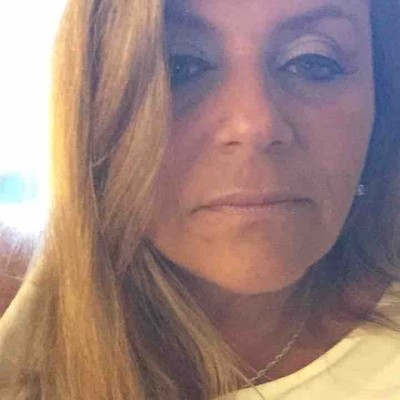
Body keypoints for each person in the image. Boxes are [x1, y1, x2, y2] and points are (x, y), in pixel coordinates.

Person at [0, 0, 400, 398]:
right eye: (179, 66)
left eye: (313, 62)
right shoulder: (17, 309)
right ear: (93, 108)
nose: (255, 125)